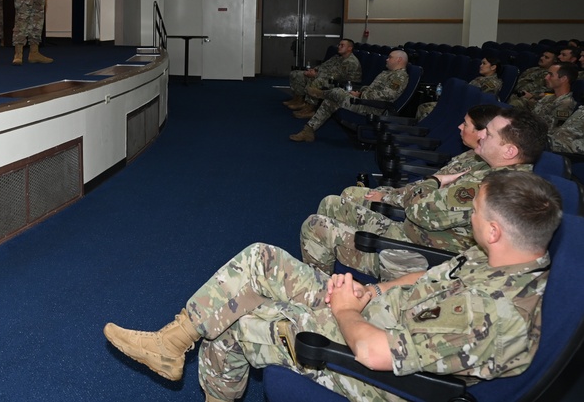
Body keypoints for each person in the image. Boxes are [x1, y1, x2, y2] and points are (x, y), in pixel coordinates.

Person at [103, 170, 561, 402]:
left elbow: (378, 355)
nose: (471, 218)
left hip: (379, 365)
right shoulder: (498, 258)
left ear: (496, 229)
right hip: (370, 313)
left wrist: (346, 311)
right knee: (262, 258)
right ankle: (173, 340)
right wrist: (371, 293)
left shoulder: (493, 316)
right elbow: (426, 277)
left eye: (476, 213)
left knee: (241, 321)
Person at [299, 108, 546, 280]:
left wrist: (433, 181)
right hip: (412, 235)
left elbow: (419, 211)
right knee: (332, 204)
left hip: (414, 255)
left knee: (315, 226)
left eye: (489, 134)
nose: (480, 134)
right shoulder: (495, 170)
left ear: (510, 151)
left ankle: (319, 293)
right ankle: (324, 281)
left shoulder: (492, 186)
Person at [289, 49, 409, 143]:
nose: (387, 60)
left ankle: (321, 94)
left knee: (336, 92)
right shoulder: (388, 73)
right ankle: (308, 130)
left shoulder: (399, 77)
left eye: (390, 58)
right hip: (365, 101)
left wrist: (362, 94)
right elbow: (373, 90)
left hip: (373, 108)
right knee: (330, 101)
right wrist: (361, 92)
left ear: (399, 60)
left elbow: (386, 96)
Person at [284, 39, 362, 118]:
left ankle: (310, 109)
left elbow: (336, 75)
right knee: (297, 74)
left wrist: (315, 75)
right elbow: (324, 66)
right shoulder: (338, 57)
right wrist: (314, 70)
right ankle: (298, 99)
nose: (339, 47)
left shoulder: (350, 62)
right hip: (328, 78)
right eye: (339, 45)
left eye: (342, 45)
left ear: (350, 48)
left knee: (317, 81)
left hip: (343, 84)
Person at [412, 56, 502, 120]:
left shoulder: (492, 83)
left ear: (493, 67)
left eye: (484, 63)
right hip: (460, 102)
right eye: (481, 63)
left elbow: (480, 101)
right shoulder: (480, 78)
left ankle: (423, 133)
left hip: (467, 107)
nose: (480, 65)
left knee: (426, 109)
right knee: (423, 106)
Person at [531, 62, 578, 131]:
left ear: (563, 79)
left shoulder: (566, 103)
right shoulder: (548, 97)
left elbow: (552, 130)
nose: (546, 77)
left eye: (550, 75)